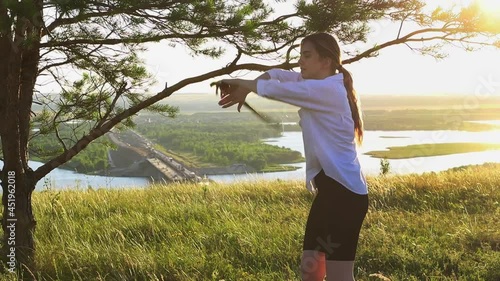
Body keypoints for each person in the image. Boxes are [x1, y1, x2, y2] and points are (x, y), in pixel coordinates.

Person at [216, 32, 369, 281]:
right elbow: (275, 75)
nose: (301, 62)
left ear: (326, 60)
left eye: (307, 56)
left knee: (340, 277)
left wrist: (240, 82)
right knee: (310, 273)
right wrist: (247, 89)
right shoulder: (311, 83)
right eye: (300, 55)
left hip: (345, 198)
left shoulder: (327, 90)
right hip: (330, 194)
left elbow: (274, 90)